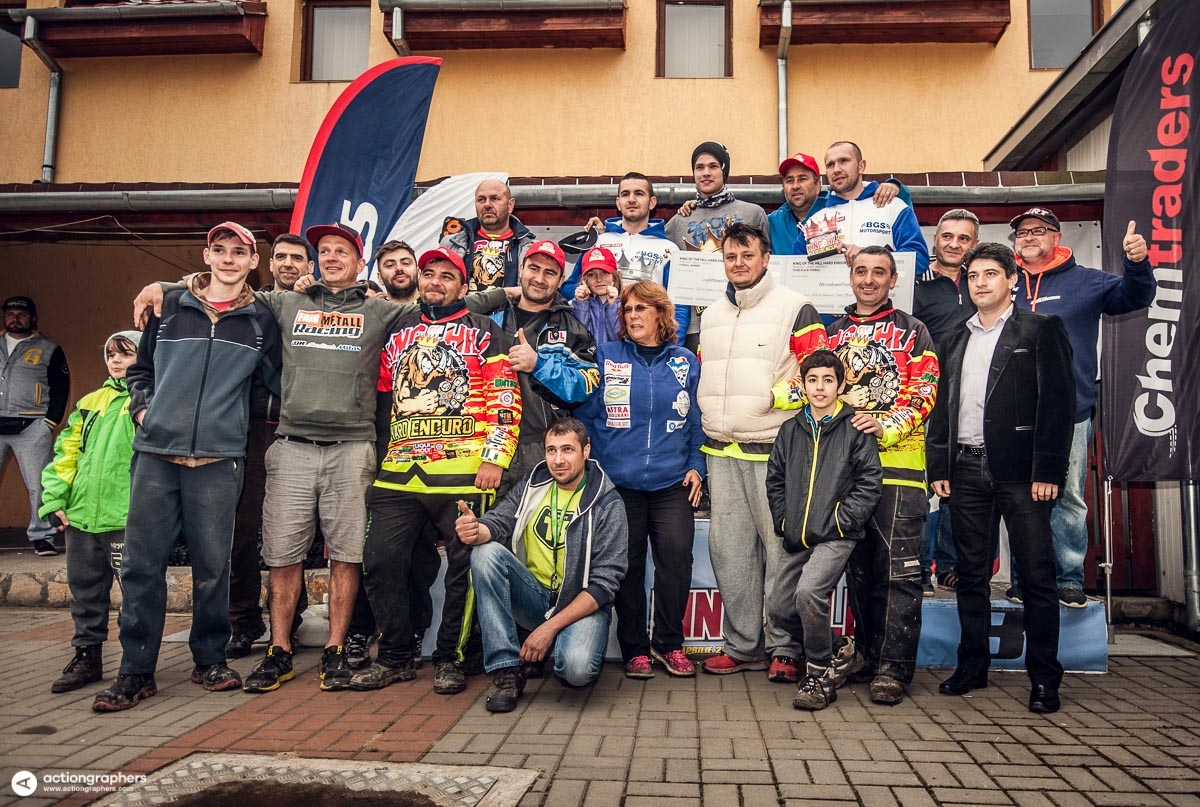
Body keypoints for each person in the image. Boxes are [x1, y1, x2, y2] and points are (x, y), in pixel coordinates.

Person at [94, 221, 282, 712]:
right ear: (206, 255)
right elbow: (141, 370)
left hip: (219, 459)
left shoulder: (261, 321)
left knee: (213, 566)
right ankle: (136, 670)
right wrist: (143, 411)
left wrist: (237, 423)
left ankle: (210, 659)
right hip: (156, 456)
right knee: (141, 566)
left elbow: (277, 382)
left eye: (238, 252)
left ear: (253, 261)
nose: (228, 259)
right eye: (220, 250)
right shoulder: (171, 306)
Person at [347, 246, 521, 694]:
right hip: (399, 473)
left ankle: (451, 658)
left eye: (447, 276)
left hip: (466, 471)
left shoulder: (486, 331)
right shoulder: (398, 329)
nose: (435, 282)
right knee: (380, 560)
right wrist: (381, 457)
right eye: (429, 274)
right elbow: (384, 400)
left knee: (465, 569)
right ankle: (396, 656)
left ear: (463, 287)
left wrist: (495, 458)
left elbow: (505, 399)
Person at [927, 242, 1075, 714]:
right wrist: (939, 466)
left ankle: (1045, 678)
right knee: (970, 574)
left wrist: (1048, 470)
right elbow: (942, 407)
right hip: (965, 471)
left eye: (991, 274)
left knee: (1036, 575)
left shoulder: (1041, 328)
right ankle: (972, 666)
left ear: (1012, 279)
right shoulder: (954, 338)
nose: (981, 283)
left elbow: (1058, 404)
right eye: (973, 276)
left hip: (1023, 475)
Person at [808, 245, 939, 705]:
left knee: (897, 572)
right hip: (845, 473)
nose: (868, 279)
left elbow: (925, 391)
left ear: (893, 279)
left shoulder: (914, 330)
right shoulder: (832, 334)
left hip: (899, 469)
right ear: (850, 276)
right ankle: (865, 654)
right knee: (859, 571)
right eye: (861, 271)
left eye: (878, 272)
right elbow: (813, 390)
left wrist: (888, 426)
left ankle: (894, 667)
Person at [696, 222, 826, 682]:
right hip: (721, 449)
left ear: (766, 258)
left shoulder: (796, 307)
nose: (738, 263)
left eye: (747, 255)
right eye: (730, 256)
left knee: (781, 555)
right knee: (730, 555)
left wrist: (772, 399)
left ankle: (785, 648)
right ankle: (743, 646)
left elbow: (821, 375)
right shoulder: (711, 314)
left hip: (774, 450)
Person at [1009, 207, 1154, 607]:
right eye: (1022, 231)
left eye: (1039, 230)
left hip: (1069, 414)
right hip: (1013, 414)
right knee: (1020, 499)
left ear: (1057, 237)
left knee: (1068, 496)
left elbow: (1136, 296)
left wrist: (1137, 262)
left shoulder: (1087, 281)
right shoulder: (1004, 282)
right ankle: (1024, 578)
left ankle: (1068, 578)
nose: (1029, 236)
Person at [577, 281, 705, 679]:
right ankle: (635, 649)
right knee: (627, 566)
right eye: (628, 309)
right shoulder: (606, 356)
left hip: (671, 482)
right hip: (619, 483)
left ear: (660, 314)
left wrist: (697, 465)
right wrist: (590, 467)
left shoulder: (685, 361)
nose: (633, 316)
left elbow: (696, 419)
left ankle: (669, 644)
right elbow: (586, 415)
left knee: (676, 559)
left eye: (641, 309)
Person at [455, 418, 628, 712]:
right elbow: (500, 520)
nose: (558, 460)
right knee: (485, 553)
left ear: (586, 451)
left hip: (579, 606)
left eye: (567, 450)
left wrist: (549, 629)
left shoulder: (608, 502)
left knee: (576, 672)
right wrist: (476, 530)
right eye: (551, 450)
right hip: (534, 596)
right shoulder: (534, 483)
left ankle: (553, 644)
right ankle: (507, 670)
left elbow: (604, 585)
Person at [766, 349, 883, 710]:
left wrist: (842, 521)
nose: (820, 387)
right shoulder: (790, 429)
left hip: (836, 534)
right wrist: (784, 521)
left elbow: (870, 482)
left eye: (828, 380)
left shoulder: (855, 428)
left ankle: (819, 675)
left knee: (808, 593)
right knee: (780, 608)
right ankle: (838, 649)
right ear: (802, 385)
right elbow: (776, 479)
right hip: (796, 533)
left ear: (841, 385)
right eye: (813, 380)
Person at [227, 232, 314, 659]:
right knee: (241, 532)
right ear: (269, 262)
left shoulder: (320, 304)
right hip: (249, 428)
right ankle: (242, 622)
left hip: (298, 427)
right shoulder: (251, 304)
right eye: (281, 257)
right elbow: (208, 286)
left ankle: (289, 617)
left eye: (297, 257)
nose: (288, 264)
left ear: (309, 266)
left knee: (296, 530)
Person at [40, 331, 141, 693]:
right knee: (84, 591)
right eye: (111, 354)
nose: (116, 360)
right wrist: (55, 500)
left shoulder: (149, 400)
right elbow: (65, 455)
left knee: (135, 593)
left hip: (125, 517)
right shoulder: (89, 402)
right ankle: (87, 656)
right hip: (81, 517)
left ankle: (136, 662)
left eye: (126, 353)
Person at [486, 239, 599, 495]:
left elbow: (585, 386)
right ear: (521, 269)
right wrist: (501, 293)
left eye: (549, 273)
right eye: (534, 268)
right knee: (485, 521)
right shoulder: (490, 318)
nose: (539, 278)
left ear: (561, 281)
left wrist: (538, 365)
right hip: (486, 446)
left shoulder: (573, 328)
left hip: (544, 449)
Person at [913, 208, 981, 595]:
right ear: (935, 239)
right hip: (925, 400)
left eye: (963, 238)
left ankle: (951, 566)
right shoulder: (915, 285)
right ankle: (920, 567)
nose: (954, 244)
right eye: (947, 236)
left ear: (974, 244)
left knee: (962, 486)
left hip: (972, 399)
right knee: (922, 487)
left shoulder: (981, 283)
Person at [666, 142, 769, 351]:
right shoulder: (679, 221)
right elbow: (649, 238)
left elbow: (767, 267)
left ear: (724, 171)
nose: (706, 172)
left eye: (713, 166)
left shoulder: (753, 213)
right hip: (696, 326)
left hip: (745, 317)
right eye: (699, 167)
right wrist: (604, 231)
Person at [566, 172, 687, 334]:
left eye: (639, 193)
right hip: (600, 338)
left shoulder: (669, 249)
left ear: (652, 202)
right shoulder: (598, 242)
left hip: (647, 338)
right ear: (618, 202)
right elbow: (567, 287)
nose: (631, 199)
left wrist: (673, 342)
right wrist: (584, 289)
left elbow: (680, 305)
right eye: (625, 194)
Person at [794, 142, 928, 276]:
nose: (836, 169)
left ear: (861, 166)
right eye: (830, 165)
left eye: (844, 161)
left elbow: (918, 259)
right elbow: (796, 269)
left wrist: (868, 258)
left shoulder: (893, 206)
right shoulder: (816, 219)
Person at [1, 295, 69, 557]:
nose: (15, 318)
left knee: (38, 485)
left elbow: (61, 387)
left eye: (21, 314)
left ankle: (42, 536)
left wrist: (49, 423)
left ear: (33, 318)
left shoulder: (48, 348)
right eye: (10, 313)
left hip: (31, 425)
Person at [767, 151, 903, 256]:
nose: (795, 186)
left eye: (802, 179)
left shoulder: (834, 208)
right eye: (789, 180)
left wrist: (895, 186)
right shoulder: (772, 221)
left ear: (818, 185)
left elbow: (863, 195)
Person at [440, 179, 536, 292]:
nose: (487, 205)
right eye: (481, 199)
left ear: (510, 205)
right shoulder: (452, 243)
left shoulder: (529, 248)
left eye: (495, 198)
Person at [570, 246, 622, 344]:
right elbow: (577, 341)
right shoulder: (572, 305)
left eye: (604, 273)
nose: (599, 279)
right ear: (585, 280)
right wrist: (581, 305)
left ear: (615, 275)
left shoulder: (627, 305)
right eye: (591, 275)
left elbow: (619, 340)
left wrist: (613, 306)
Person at [372, 240, 419, 304]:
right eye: (390, 265)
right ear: (380, 277)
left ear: (418, 272)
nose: (399, 268)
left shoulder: (432, 306)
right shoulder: (372, 309)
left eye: (406, 263)